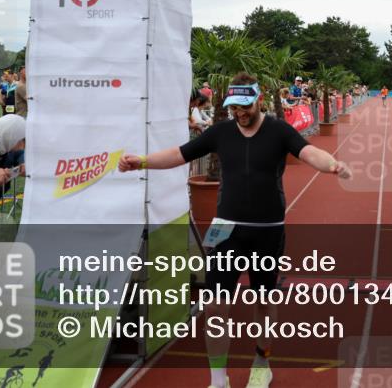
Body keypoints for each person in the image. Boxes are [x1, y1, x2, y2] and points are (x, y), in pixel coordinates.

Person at [118, 73, 351, 388]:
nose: (239, 113)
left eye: (244, 106)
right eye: (234, 108)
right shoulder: (220, 132)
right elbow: (179, 154)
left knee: (264, 302)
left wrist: (332, 164)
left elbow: (309, 152)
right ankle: (218, 379)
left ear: (258, 100)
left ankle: (261, 362)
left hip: (267, 230)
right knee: (214, 304)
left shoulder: (278, 130)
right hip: (226, 230)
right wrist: (142, 161)